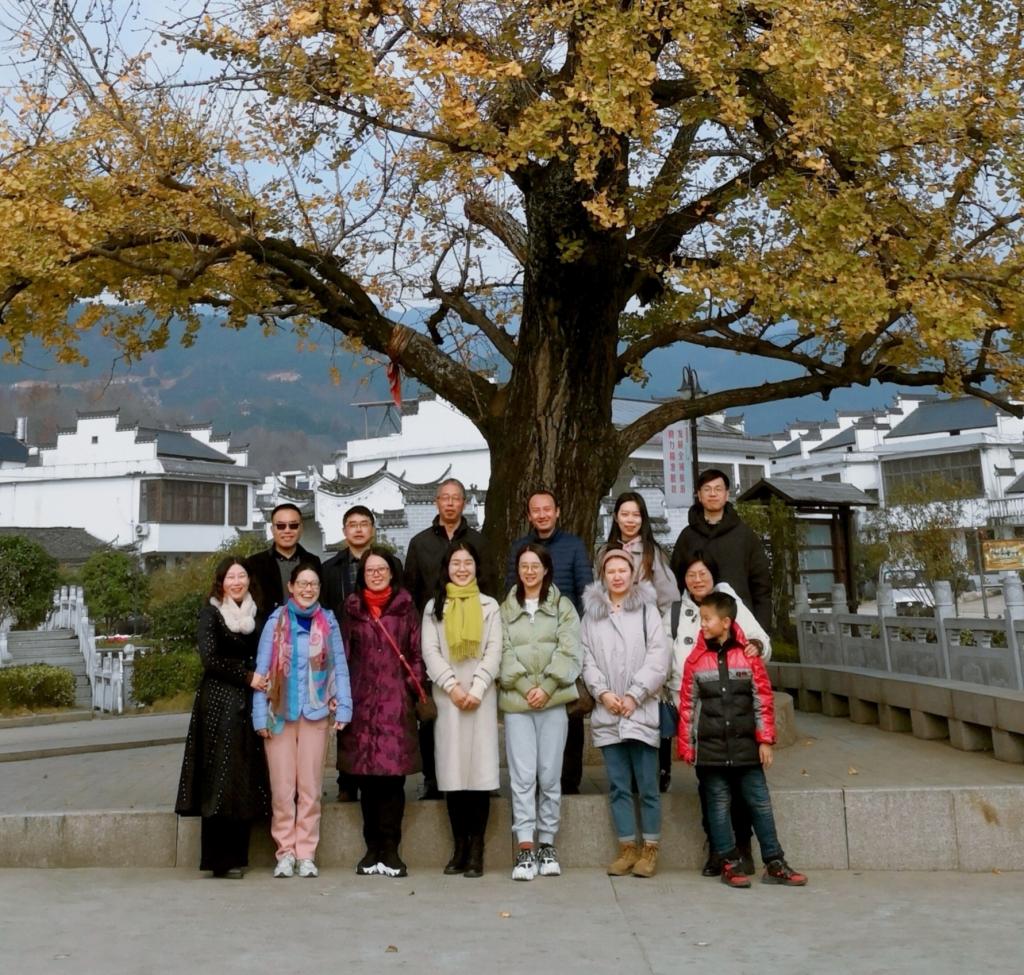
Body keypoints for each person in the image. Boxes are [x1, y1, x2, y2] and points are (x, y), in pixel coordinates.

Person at [677, 591, 807, 888]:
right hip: (710, 749)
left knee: (760, 803)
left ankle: (775, 862)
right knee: (718, 805)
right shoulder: (695, 660)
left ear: (725, 622)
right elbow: (687, 707)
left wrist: (765, 740)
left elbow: (762, 699)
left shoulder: (749, 656)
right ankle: (728, 862)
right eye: (700, 619)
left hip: (746, 746)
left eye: (707, 619)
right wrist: (687, 746)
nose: (702, 624)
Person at [252, 563, 351, 879]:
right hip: (279, 715)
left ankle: (306, 853)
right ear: (291, 587)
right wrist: (259, 715)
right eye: (303, 584)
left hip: (315, 712)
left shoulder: (328, 622)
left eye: (314, 584)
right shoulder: (275, 621)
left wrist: (344, 707)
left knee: (310, 788)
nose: (308, 589)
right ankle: (285, 852)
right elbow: (262, 671)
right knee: (282, 790)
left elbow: (340, 667)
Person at [176, 558, 271, 878]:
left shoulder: (258, 613)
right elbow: (210, 658)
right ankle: (218, 860)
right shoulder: (211, 613)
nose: (237, 581)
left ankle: (238, 857)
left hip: (250, 702)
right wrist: (247, 676)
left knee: (243, 777)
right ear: (221, 582)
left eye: (242, 575)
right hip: (218, 703)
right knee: (219, 777)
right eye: (231, 577)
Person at [581, 549, 670, 879]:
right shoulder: (592, 616)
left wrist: (635, 694)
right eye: (611, 571)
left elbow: (659, 658)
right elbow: (586, 659)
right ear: (602, 576)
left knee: (647, 785)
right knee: (618, 785)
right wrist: (602, 693)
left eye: (623, 570)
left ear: (633, 575)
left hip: (641, 709)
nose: (617, 576)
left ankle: (650, 849)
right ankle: (627, 848)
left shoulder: (647, 610)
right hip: (608, 712)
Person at [339, 546, 425, 878]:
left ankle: (391, 849)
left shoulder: (405, 608)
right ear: (362, 575)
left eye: (381, 569)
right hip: (361, 705)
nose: (376, 575)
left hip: (395, 705)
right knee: (367, 782)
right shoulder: (352, 608)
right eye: (370, 570)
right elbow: (342, 654)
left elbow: (415, 654)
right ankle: (371, 848)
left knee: (392, 783)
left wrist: (411, 688)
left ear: (392, 573)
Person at [660, 551, 771, 803]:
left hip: (731, 702)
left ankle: (739, 824)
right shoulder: (675, 613)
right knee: (709, 777)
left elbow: (761, 641)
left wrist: (755, 646)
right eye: (691, 575)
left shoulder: (729, 604)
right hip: (690, 705)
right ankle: (716, 825)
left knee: (739, 776)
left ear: (713, 576)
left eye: (703, 574)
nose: (697, 580)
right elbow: (662, 658)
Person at [499, 543, 582, 881]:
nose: (530, 571)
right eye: (524, 566)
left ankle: (547, 843)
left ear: (546, 569)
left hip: (553, 701)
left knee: (549, 775)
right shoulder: (505, 609)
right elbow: (502, 650)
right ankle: (525, 847)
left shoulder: (563, 606)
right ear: (518, 570)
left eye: (536, 565)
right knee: (522, 777)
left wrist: (546, 687)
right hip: (517, 704)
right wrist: (523, 687)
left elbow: (570, 650)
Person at [405, 478, 490, 800]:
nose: (450, 503)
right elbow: (411, 592)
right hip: (433, 636)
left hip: (472, 639)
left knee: (474, 711)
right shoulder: (420, 543)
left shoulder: (479, 542)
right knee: (432, 713)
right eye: (445, 498)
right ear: (436, 502)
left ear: (464, 503)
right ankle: (432, 778)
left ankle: (479, 777)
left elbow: (488, 586)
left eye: (456, 498)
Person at [421, 540, 502, 878]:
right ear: (447, 568)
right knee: (453, 776)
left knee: (479, 777)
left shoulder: (489, 606)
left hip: (481, 698)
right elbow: (430, 651)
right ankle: (460, 847)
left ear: (476, 567)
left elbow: (495, 650)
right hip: (448, 698)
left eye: (468, 562)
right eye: (456, 563)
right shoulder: (434, 607)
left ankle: (477, 849)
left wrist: (478, 687)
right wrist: (452, 687)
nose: (462, 568)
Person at [506, 489, 593, 794]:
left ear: (557, 512)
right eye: (536, 510)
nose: (542, 515)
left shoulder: (574, 545)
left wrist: (569, 634)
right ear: (529, 515)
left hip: (564, 638)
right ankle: (534, 781)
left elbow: (585, 592)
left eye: (547, 509)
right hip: (527, 642)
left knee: (570, 710)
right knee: (531, 713)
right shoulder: (520, 548)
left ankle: (569, 781)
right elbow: (511, 594)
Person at [321, 504, 378, 803]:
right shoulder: (329, 569)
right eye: (352, 524)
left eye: (364, 523)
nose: (358, 529)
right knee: (346, 716)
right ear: (344, 531)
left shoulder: (388, 563)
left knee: (374, 717)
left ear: (372, 529)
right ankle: (346, 781)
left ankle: (374, 776)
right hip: (341, 650)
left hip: (377, 651)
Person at [668, 469, 772, 630]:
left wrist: (761, 629)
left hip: (739, 621)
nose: (713, 494)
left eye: (718, 489)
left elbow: (761, 587)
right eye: (707, 489)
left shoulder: (744, 535)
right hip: (696, 624)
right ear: (699, 495)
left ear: (726, 494)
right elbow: (675, 583)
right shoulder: (687, 537)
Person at [597, 491, 679, 614]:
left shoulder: (652, 553)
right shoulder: (605, 552)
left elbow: (669, 601)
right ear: (616, 517)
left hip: (645, 623)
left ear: (642, 519)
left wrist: (659, 624)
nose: (630, 520)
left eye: (636, 515)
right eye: (625, 514)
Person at [247, 502, 322, 618]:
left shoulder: (313, 561)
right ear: (272, 529)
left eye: (293, 525)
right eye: (281, 526)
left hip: (308, 626)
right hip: (267, 627)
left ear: (301, 528)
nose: (287, 530)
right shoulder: (254, 563)